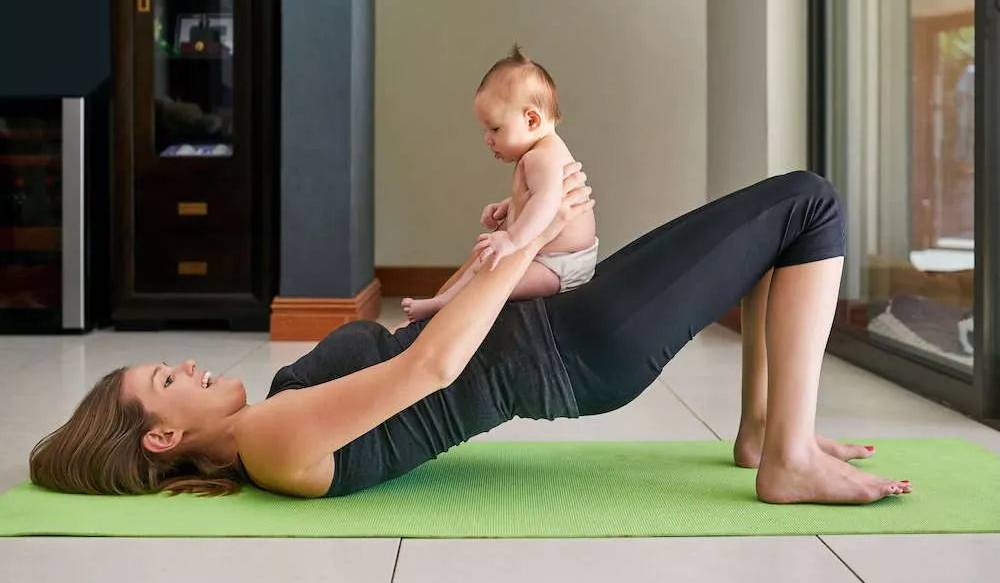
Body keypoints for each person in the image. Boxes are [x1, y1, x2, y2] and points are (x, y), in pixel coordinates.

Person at [28, 164, 912, 505]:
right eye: (167, 379)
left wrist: (500, 244)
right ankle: (785, 457)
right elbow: (440, 366)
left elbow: (433, 341)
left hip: (564, 333)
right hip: (581, 348)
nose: (186, 363)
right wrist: (528, 233)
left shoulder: (278, 417)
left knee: (778, 231)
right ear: (164, 434)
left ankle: (766, 432)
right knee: (810, 204)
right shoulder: (271, 441)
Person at [401, 44, 598, 323]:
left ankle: (444, 305)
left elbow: (547, 202)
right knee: (486, 265)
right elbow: (539, 197)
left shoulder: (541, 157)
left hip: (560, 266)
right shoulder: (544, 152)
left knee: (491, 278)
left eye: (495, 128)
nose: (487, 139)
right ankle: (442, 302)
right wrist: (508, 206)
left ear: (531, 119)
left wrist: (511, 237)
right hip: (558, 260)